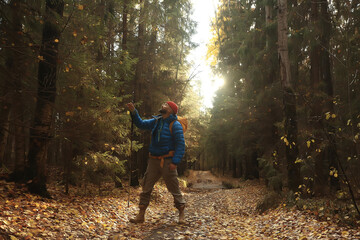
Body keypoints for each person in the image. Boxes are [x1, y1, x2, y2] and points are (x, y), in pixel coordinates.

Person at [126, 101, 186, 224]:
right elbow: (141, 124)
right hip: (153, 160)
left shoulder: (175, 125)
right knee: (146, 187)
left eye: (166, 105)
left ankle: (181, 214)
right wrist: (133, 112)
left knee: (174, 188)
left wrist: (175, 161)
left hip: (168, 161)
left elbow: (180, 145)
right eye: (163, 104)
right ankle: (141, 215)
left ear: (170, 110)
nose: (162, 105)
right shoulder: (156, 121)